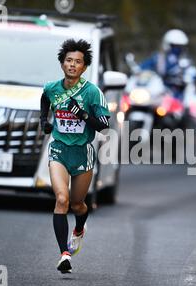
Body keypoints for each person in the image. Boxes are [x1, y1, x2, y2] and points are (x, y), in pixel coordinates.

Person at [40, 39, 111, 273]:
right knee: (62, 199)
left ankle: (79, 229)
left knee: (78, 204)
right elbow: (44, 98)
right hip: (59, 149)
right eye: (68, 60)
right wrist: (44, 121)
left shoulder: (92, 93)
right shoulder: (53, 88)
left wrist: (81, 114)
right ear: (62, 63)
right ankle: (64, 254)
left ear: (84, 67)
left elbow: (103, 126)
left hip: (82, 153)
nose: (72, 65)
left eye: (78, 62)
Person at [140, 29, 196, 104]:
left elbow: (192, 73)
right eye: (174, 46)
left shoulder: (185, 61)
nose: (177, 49)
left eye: (179, 47)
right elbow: (143, 67)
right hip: (159, 89)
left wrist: (187, 78)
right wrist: (138, 72)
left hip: (176, 91)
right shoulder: (159, 58)